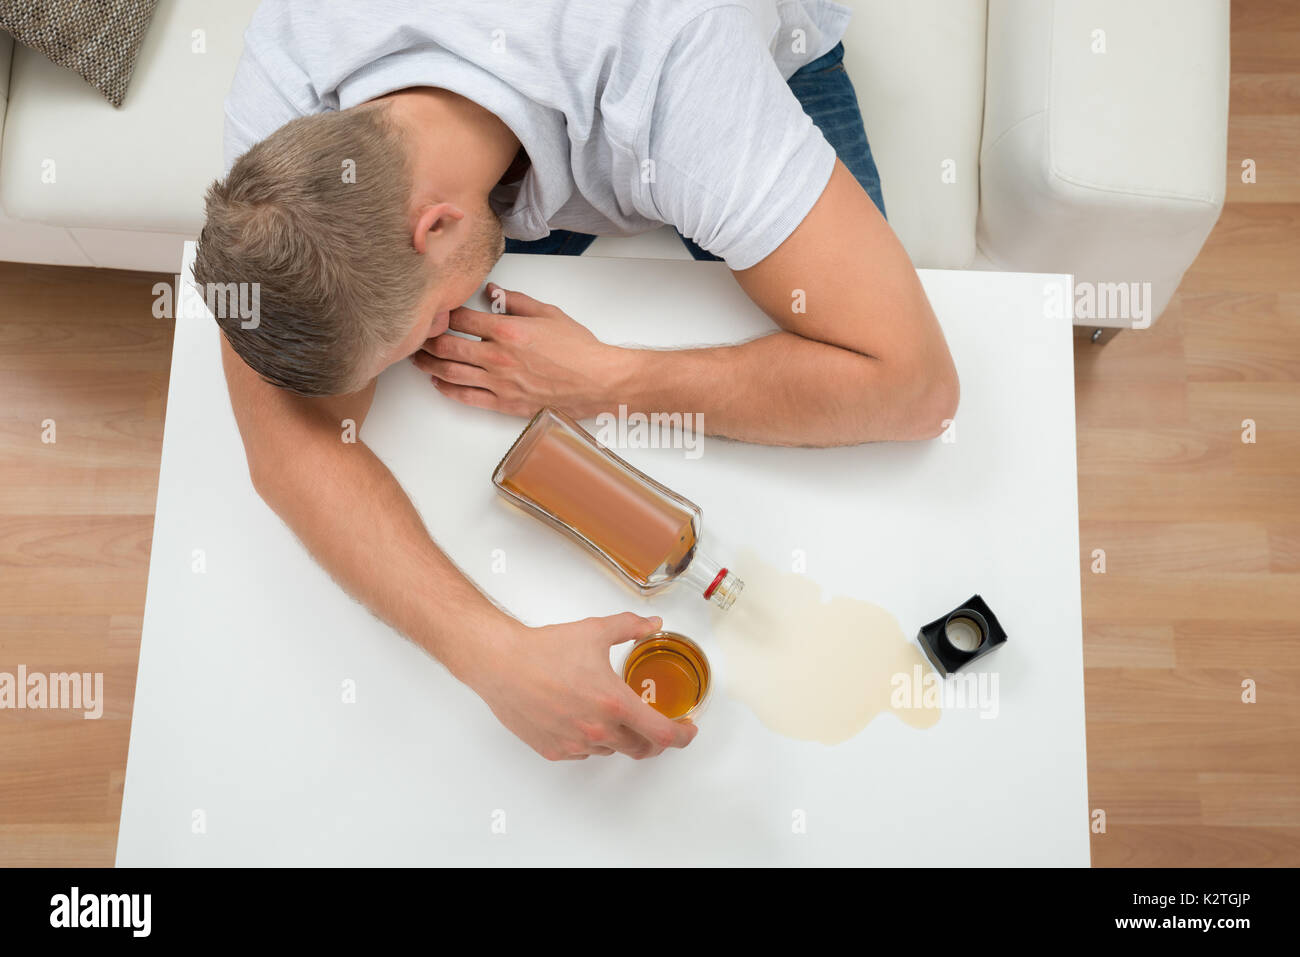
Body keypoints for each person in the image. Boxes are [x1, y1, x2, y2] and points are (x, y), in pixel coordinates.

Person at [194, 0, 959, 763]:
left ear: (435, 227)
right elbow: (286, 437)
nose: (431, 343)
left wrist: (603, 381)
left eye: (422, 324)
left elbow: (912, 385)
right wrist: (492, 655)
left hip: (717, 58)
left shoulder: (675, 71)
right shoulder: (295, 64)